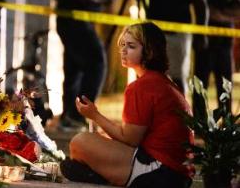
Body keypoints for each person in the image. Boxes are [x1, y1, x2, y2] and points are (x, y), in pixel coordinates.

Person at [60, 22, 193, 187]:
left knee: (80, 142)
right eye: (122, 44)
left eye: (131, 46)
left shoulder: (142, 86)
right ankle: (96, 172)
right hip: (177, 174)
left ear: (149, 51)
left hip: (160, 172)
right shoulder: (163, 81)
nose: (123, 50)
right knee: (95, 141)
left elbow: (130, 140)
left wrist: (95, 116)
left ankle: (99, 174)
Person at [56, 0, 111, 130]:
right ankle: (79, 113)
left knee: (74, 70)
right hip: (76, 25)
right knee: (97, 62)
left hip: (72, 24)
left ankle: (70, 115)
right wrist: (102, 1)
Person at [140, 0, 208, 94]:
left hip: (179, 33)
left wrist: (201, 33)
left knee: (177, 78)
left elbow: (201, 4)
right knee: (154, 76)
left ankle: (181, 116)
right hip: (155, 33)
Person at [194, 0, 239, 110]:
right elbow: (208, 12)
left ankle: (225, 121)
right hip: (205, 46)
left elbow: (237, 13)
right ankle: (199, 121)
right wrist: (227, 15)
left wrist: (222, 16)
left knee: (225, 86)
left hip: (225, 47)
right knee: (201, 85)